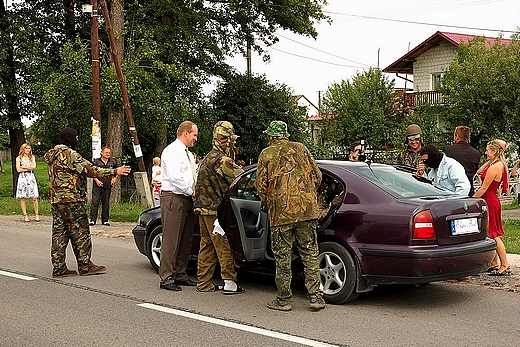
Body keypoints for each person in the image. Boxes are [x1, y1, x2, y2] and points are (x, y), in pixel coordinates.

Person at [256, 120, 325, 311]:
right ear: (285, 134)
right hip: (306, 211)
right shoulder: (301, 149)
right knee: (310, 253)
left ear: (271, 136)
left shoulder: (266, 154)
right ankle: (316, 297)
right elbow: (317, 176)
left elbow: (261, 185)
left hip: (281, 215)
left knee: (283, 257)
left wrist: (269, 203)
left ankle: (284, 300)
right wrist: (307, 196)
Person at [44, 127, 131, 278]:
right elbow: (91, 170)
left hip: (56, 200)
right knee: (81, 232)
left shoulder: (52, 155)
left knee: (60, 233)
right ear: (70, 139)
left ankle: (59, 268)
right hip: (72, 200)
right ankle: (85, 265)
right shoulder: (69, 154)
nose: (77, 141)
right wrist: (115, 171)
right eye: (75, 138)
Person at [194, 121, 245, 294]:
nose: (234, 144)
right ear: (226, 139)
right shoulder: (222, 160)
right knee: (222, 246)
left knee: (206, 245)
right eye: (233, 140)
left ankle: (203, 282)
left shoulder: (208, 157)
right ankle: (230, 282)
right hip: (216, 211)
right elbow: (244, 180)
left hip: (203, 209)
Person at [158, 120, 199, 291]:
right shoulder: (172, 151)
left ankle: (180, 273)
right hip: (174, 197)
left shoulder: (187, 153)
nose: (196, 138)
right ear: (186, 133)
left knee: (185, 238)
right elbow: (175, 177)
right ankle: (167, 277)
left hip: (187, 197)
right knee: (171, 238)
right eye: (194, 134)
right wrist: (191, 191)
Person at [473, 139, 511, 276]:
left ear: (495, 151)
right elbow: (479, 172)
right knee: (490, 232)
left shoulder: (495, 167)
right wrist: (490, 160)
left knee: (494, 234)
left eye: (488, 150)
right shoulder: (496, 164)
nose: (485, 152)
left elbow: (483, 188)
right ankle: (494, 263)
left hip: (489, 201)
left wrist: (472, 200)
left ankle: (505, 264)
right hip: (491, 200)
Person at [443, 126, 481, 196]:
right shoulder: (476, 153)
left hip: (451, 189)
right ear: (468, 137)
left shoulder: (448, 150)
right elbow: (475, 170)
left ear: (456, 136)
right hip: (469, 189)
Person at [89, 146, 118, 226]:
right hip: (97, 185)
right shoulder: (96, 162)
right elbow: (92, 172)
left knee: (106, 202)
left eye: (109, 153)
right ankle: (92, 219)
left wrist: (114, 179)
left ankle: (105, 220)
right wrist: (96, 180)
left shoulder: (113, 161)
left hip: (108, 184)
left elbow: (116, 171)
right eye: (106, 152)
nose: (108, 154)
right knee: (95, 202)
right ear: (102, 153)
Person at [16, 143, 40, 222]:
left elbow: (33, 167)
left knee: (34, 197)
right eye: (26, 148)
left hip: (31, 177)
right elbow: (18, 169)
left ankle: (36, 214)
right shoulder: (18, 158)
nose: (28, 150)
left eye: (29, 148)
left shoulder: (32, 157)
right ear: (23, 149)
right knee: (23, 197)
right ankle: (25, 215)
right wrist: (27, 168)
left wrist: (24, 167)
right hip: (22, 178)